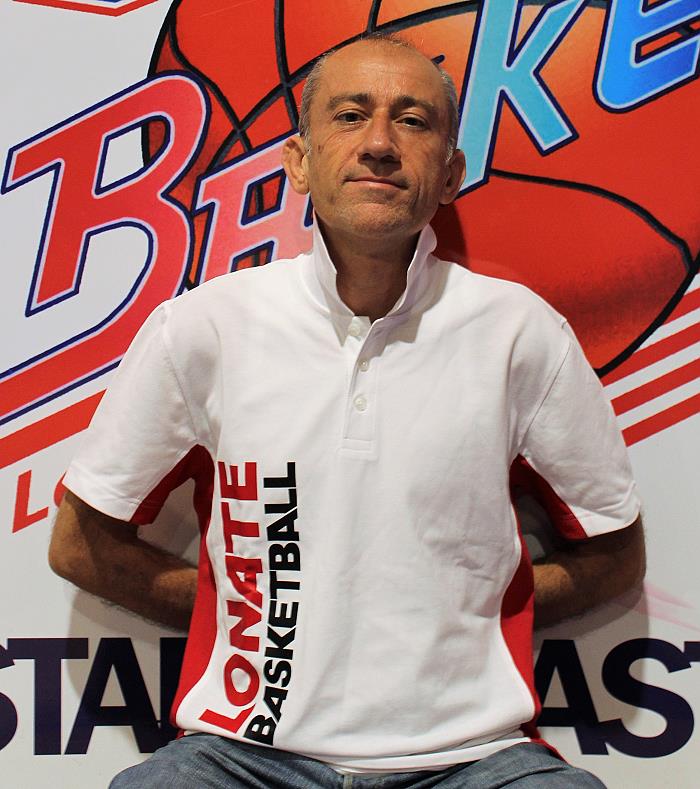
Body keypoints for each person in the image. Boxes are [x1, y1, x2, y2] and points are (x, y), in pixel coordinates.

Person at [49, 34, 645, 788]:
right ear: (299, 161)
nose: (379, 144)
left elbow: (615, 552)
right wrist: (247, 609)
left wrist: (470, 605)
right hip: (241, 756)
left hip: (472, 759)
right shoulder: (203, 326)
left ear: (451, 174)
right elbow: (79, 543)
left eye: (413, 121)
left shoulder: (520, 333)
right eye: (350, 115)